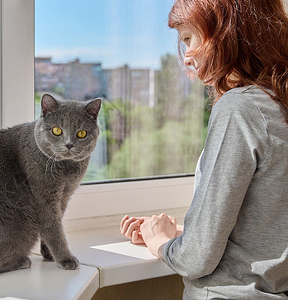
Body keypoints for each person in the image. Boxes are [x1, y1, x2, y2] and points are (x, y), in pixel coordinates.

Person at [120, 0, 288, 298]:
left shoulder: (240, 108)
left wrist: (160, 242)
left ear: (227, 32)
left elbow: (195, 259)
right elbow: (262, 230)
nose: (185, 57)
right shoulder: (278, 105)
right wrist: (184, 235)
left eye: (188, 38)